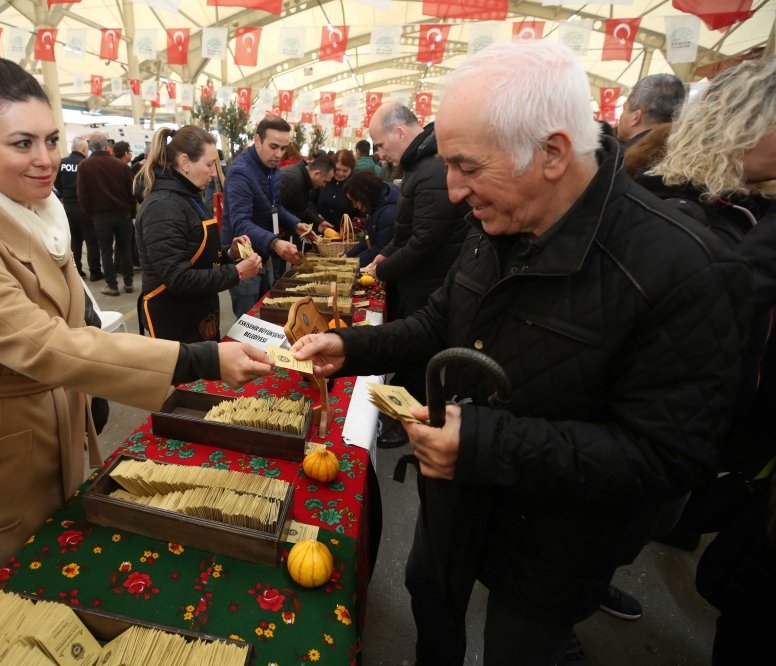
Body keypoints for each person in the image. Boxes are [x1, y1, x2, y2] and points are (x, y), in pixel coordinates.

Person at [290, 40, 752, 665]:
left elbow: (670, 456)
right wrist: (350, 344)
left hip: (553, 542)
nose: (454, 190)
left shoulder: (687, 269)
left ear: (552, 153)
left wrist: (485, 444)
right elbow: (438, 322)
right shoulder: (494, 223)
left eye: (468, 167)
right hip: (454, 502)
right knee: (430, 600)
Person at [0, 51, 273, 640]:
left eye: (51, 140)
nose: (46, 159)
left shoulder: (32, 209)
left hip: (50, 419)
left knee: (52, 593)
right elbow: (43, 344)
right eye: (22, 143)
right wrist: (196, 359)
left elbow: (76, 319)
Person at [635, 59, 776, 662]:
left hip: (706, 430)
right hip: (651, 420)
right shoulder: (668, 200)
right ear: (743, 125)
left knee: (653, 521)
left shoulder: (752, 212)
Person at [367, 101, 470, 448]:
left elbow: (425, 241)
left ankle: (411, 420)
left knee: (418, 354)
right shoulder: (419, 166)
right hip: (419, 281)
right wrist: (386, 252)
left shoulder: (431, 169)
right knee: (412, 354)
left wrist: (383, 269)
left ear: (400, 132)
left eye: (381, 144)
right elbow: (407, 229)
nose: (379, 154)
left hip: (431, 284)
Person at [136, 126, 262, 343]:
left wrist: (229, 254)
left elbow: (196, 255)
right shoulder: (163, 206)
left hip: (198, 308)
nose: (214, 173)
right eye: (209, 164)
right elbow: (179, 279)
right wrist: (237, 272)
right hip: (174, 318)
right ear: (185, 162)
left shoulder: (189, 196)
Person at [221, 116, 317, 319]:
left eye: (283, 148)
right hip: (244, 258)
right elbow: (240, 223)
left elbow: (275, 208)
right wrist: (274, 242)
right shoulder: (241, 173)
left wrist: (295, 224)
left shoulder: (272, 170)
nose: (279, 154)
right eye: (273, 147)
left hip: (264, 255)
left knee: (267, 313)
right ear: (257, 140)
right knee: (247, 322)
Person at [76, 131, 135, 296]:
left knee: (106, 251)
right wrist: (131, 212)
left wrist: (91, 213)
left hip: (100, 217)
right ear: (106, 145)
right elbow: (131, 191)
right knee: (125, 248)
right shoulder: (120, 165)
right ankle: (129, 283)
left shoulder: (84, 166)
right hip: (122, 214)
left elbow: (82, 194)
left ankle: (112, 285)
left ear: (90, 146)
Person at [55, 137, 102, 282]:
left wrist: (65, 194)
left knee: (74, 240)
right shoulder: (86, 164)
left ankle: (76, 271)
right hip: (85, 207)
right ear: (84, 149)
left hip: (68, 207)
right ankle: (95, 271)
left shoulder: (62, 163)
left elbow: (56, 184)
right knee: (91, 241)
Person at [342, 170, 398, 266]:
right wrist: (348, 256)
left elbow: (380, 250)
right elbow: (368, 239)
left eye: (355, 201)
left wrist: (351, 263)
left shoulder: (388, 213)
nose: (354, 206)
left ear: (364, 196)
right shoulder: (375, 204)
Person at [616, 73, 686, 149]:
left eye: (624, 109)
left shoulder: (618, 154)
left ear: (635, 118)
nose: (621, 116)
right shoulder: (682, 152)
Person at [280, 153, 335, 235]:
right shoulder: (292, 180)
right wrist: (295, 225)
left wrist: (318, 222)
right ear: (316, 174)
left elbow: (298, 208)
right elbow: (275, 210)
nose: (324, 185)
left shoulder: (302, 179)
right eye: (325, 181)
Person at [112, 141, 141, 275]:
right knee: (124, 241)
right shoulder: (123, 168)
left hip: (111, 211)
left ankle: (124, 264)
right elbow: (131, 190)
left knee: (123, 241)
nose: (131, 154)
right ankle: (123, 268)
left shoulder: (113, 166)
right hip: (124, 210)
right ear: (125, 153)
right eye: (130, 152)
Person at [309, 150, 357, 231]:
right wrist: (318, 219)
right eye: (337, 169)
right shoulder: (323, 177)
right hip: (318, 229)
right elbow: (310, 201)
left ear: (351, 169)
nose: (341, 174)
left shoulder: (356, 183)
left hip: (345, 233)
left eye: (345, 171)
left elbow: (361, 211)